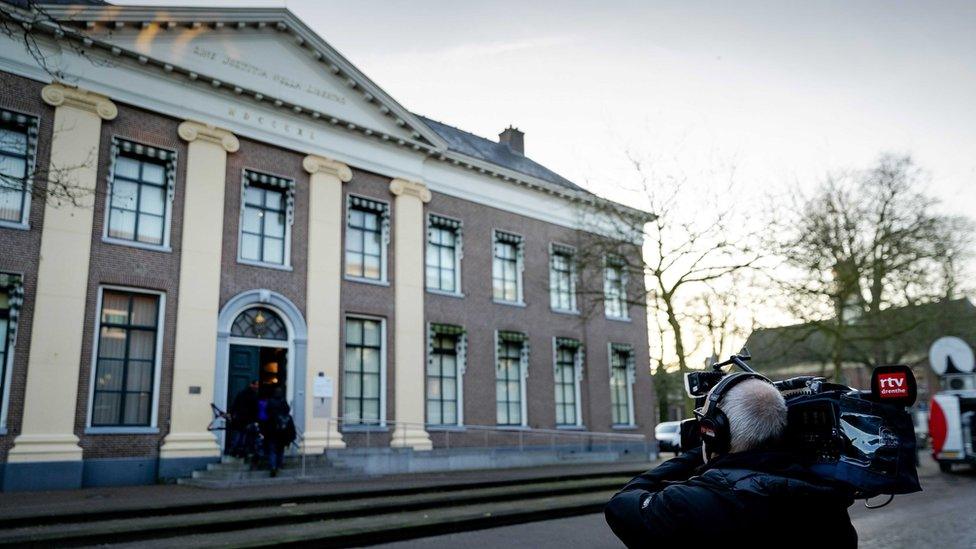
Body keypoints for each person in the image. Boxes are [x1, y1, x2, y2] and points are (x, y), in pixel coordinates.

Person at [605, 373, 857, 547]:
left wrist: (698, 453)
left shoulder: (689, 504)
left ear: (715, 431)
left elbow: (621, 505)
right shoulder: (827, 501)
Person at [260, 386, 295, 477]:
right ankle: (279, 464)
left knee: (272, 449)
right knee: (281, 449)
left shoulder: (270, 402)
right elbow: (287, 411)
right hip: (282, 431)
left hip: (272, 430)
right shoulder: (283, 402)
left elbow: (267, 413)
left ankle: (273, 466)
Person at [227, 379, 259, 458]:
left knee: (238, 435)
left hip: (239, 418)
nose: (257, 386)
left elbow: (235, 404)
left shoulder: (241, 393)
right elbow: (255, 409)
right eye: (256, 385)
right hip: (247, 419)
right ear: (252, 385)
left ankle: (234, 450)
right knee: (244, 436)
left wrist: (231, 413)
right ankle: (241, 451)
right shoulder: (254, 396)